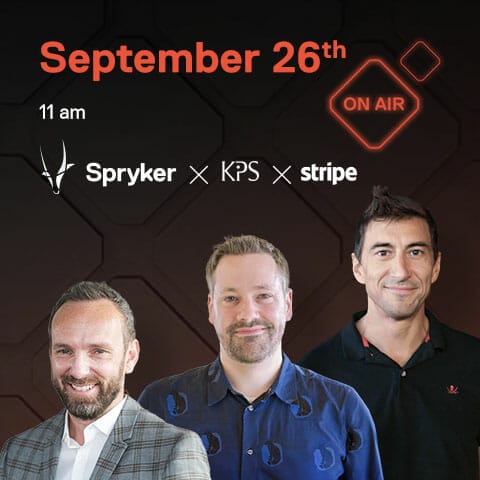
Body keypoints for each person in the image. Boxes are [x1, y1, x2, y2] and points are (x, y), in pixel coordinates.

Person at [139, 235, 383, 479]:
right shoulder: (158, 404)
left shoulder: (342, 407)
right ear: (211, 308)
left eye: (263, 296)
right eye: (231, 298)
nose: (247, 314)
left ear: (287, 304)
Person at [300, 185, 480, 480]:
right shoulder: (314, 374)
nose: (401, 270)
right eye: (383, 252)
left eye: (416, 252)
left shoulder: (474, 361)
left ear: (435, 266)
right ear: (358, 268)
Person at [0, 281, 210, 479]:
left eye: (98, 351)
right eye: (64, 351)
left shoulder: (175, 449)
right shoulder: (17, 452)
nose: (79, 371)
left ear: (130, 357)